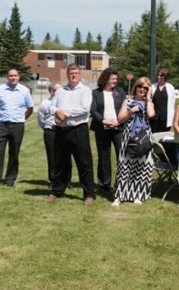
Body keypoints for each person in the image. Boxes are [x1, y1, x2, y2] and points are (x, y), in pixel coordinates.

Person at [46, 63, 96, 205]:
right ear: (67, 75)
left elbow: (85, 109)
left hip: (78, 130)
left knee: (84, 163)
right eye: (70, 73)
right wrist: (57, 111)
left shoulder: (85, 90)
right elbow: (51, 106)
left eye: (76, 73)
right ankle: (57, 190)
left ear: (79, 75)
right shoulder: (60, 91)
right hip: (61, 131)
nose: (73, 75)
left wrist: (64, 113)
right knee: (60, 162)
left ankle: (89, 194)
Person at [112, 76, 156, 206]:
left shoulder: (149, 103)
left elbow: (151, 115)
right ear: (135, 87)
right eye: (139, 87)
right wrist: (131, 111)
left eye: (145, 88)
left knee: (141, 166)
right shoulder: (128, 102)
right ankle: (119, 196)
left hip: (144, 137)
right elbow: (119, 119)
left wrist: (148, 99)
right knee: (124, 165)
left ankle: (138, 195)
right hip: (129, 136)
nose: (141, 89)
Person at [0, 69, 34, 187]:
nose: (13, 77)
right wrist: (0, 116)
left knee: (14, 153)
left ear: (19, 77)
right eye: (11, 76)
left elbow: (30, 109)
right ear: (7, 77)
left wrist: (21, 119)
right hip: (2, 125)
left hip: (17, 125)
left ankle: (10, 180)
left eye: (15, 75)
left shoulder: (24, 91)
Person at [90, 68, 126, 193]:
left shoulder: (120, 92)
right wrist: (104, 121)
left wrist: (118, 122)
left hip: (118, 128)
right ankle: (104, 185)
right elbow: (93, 110)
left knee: (121, 156)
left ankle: (121, 184)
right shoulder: (96, 93)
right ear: (105, 79)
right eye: (113, 79)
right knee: (104, 157)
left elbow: (124, 108)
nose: (115, 81)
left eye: (116, 79)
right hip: (102, 129)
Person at [38, 82, 62, 189]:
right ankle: (52, 180)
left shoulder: (63, 102)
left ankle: (66, 180)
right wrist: (48, 128)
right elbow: (40, 120)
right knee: (52, 157)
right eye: (59, 90)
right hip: (50, 132)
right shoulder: (45, 104)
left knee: (64, 156)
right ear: (52, 91)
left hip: (62, 130)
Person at [150, 67, 177, 133]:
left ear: (165, 76)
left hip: (166, 117)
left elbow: (173, 103)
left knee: (164, 136)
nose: (159, 77)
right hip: (154, 118)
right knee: (154, 136)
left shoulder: (170, 87)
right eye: (158, 75)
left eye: (161, 75)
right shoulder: (152, 87)